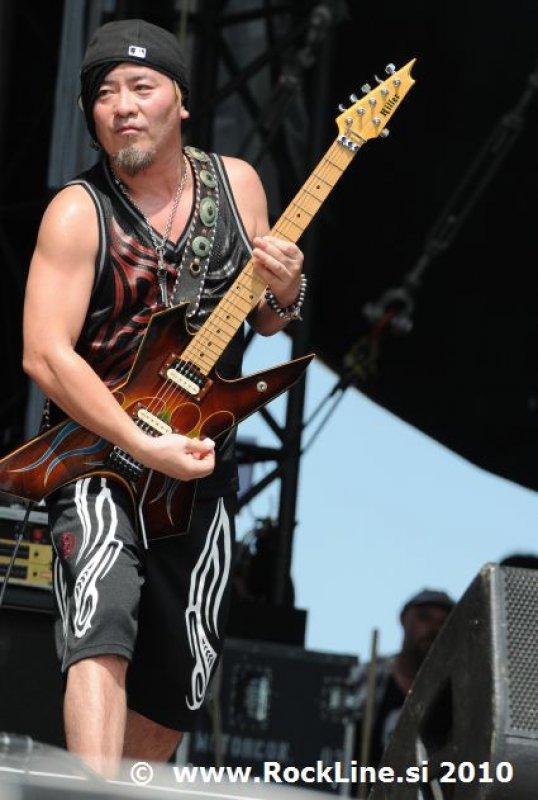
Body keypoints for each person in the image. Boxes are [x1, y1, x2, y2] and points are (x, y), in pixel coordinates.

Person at [22, 19, 305, 778]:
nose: (123, 106)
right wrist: (140, 443)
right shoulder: (77, 211)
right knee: (102, 622)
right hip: (96, 457)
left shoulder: (238, 184)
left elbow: (267, 319)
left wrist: (287, 288)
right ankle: (91, 794)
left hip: (199, 462)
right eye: (105, 93)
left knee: (180, 683)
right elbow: (45, 353)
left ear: (180, 101)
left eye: (142, 87)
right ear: (89, 115)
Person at [353, 589, 455, 770]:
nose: (434, 629)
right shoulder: (368, 676)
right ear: (403, 619)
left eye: (444, 623)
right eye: (424, 618)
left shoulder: (455, 690)